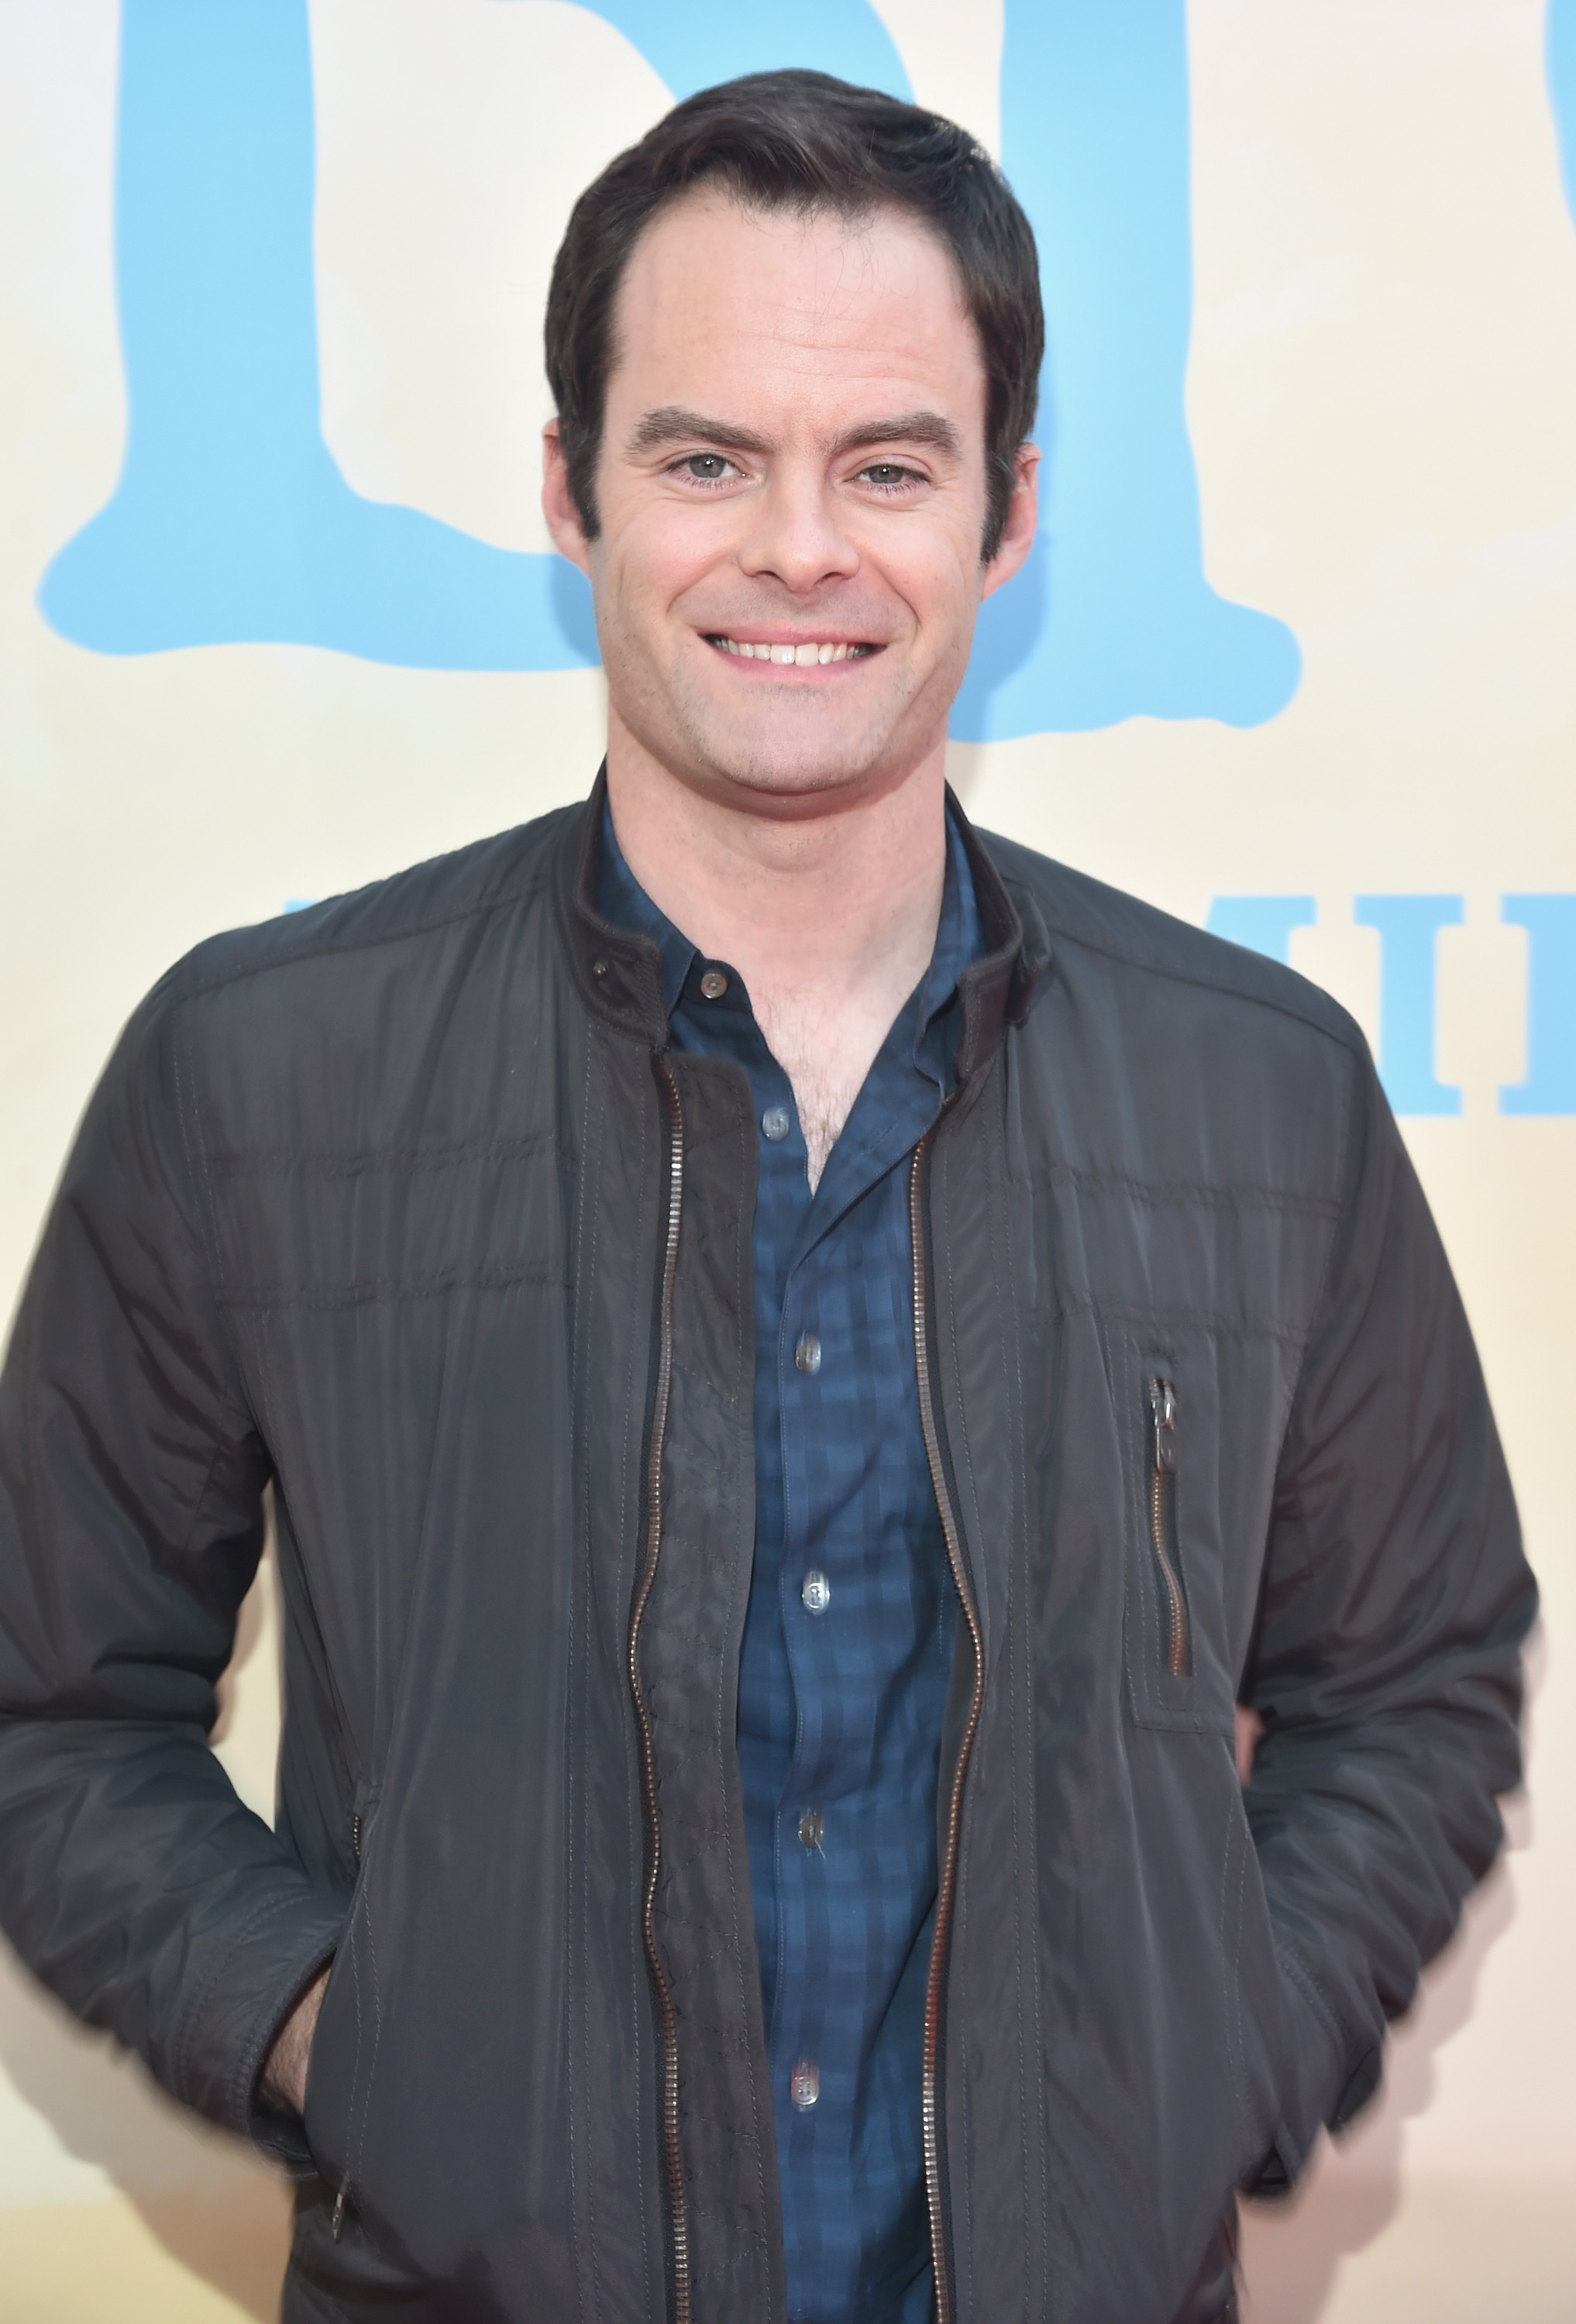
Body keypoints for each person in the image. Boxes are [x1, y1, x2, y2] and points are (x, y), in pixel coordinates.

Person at [0, 69, 1534, 2324]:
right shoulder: (260, 1069)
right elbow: (48, 1709)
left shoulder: (1258, 1091)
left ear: (1007, 513)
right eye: (706, 458)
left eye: (886, 466)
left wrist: (1223, 2051)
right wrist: (338, 2039)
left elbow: (1413, 1676)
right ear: (571, 488)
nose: (800, 549)